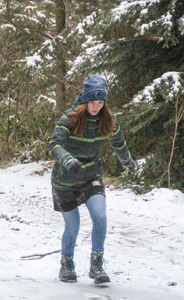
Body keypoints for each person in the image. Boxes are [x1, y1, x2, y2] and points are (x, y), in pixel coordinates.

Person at [48, 75, 136, 284]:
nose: (95, 107)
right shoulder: (69, 117)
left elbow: (119, 144)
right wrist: (67, 159)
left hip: (91, 177)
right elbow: (54, 144)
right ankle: (66, 264)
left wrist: (129, 162)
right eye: (92, 102)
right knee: (73, 226)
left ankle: (96, 264)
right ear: (84, 101)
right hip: (65, 179)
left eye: (100, 102)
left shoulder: (107, 120)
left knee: (100, 216)